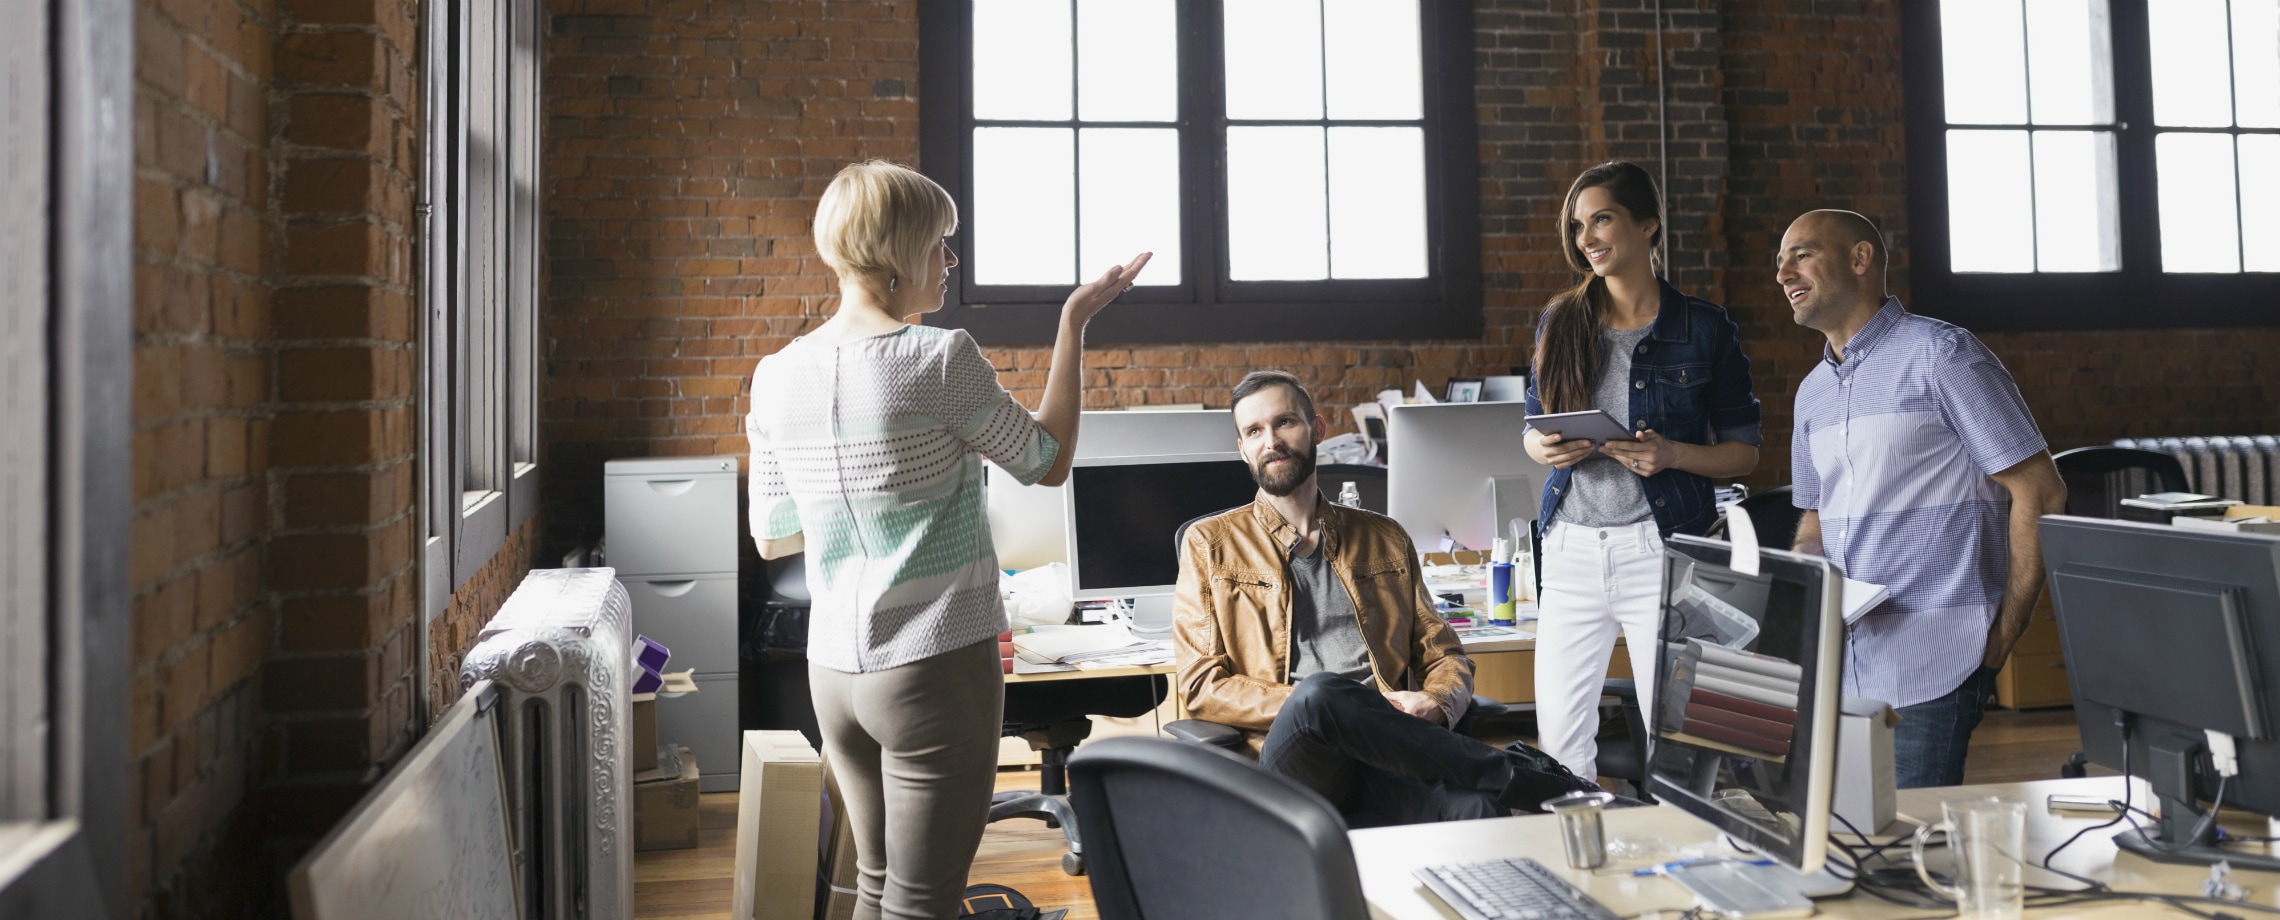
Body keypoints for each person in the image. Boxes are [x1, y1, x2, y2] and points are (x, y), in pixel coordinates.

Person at [746, 159, 1149, 920]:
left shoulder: (774, 374)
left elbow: (774, 537)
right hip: (933, 665)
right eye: (941, 244)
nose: (951, 262)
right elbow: (1048, 461)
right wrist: (1073, 323)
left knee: (876, 886)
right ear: (898, 252)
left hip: (834, 671)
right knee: (925, 902)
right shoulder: (936, 359)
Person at [1172, 371, 1604, 827]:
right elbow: (1202, 686)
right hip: (1294, 765)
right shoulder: (1210, 543)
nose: (1271, 441)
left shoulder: (1384, 537)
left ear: (1317, 430)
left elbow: (1444, 654)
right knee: (1321, 694)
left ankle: (1512, 819)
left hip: (1387, 755)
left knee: (1478, 811)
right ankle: (1539, 783)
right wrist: (1337, 706)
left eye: (1284, 423)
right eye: (1254, 431)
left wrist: (1436, 700)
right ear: (1242, 449)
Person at [1779, 209, 2066, 788]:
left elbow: (2041, 491)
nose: (1784, 271)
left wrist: (2003, 636)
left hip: (1937, 662)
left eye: (1802, 253)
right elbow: (1814, 514)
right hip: (1841, 664)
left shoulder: (1944, 356)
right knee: (1849, 847)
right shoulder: (1811, 394)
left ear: (1860, 260)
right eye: (1779, 261)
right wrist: (1807, 565)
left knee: (1912, 851)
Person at [1522, 161, 1763, 779]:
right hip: (1570, 549)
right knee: (1560, 745)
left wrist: (1674, 454)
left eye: (1602, 219)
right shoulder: (1562, 321)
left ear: (1649, 225)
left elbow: (1745, 453)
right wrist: (1545, 449)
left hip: (1662, 551)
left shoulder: (1703, 328)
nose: (1588, 239)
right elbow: (1532, 428)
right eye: (1578, 226)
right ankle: (1575, 868)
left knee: (1681, 742)